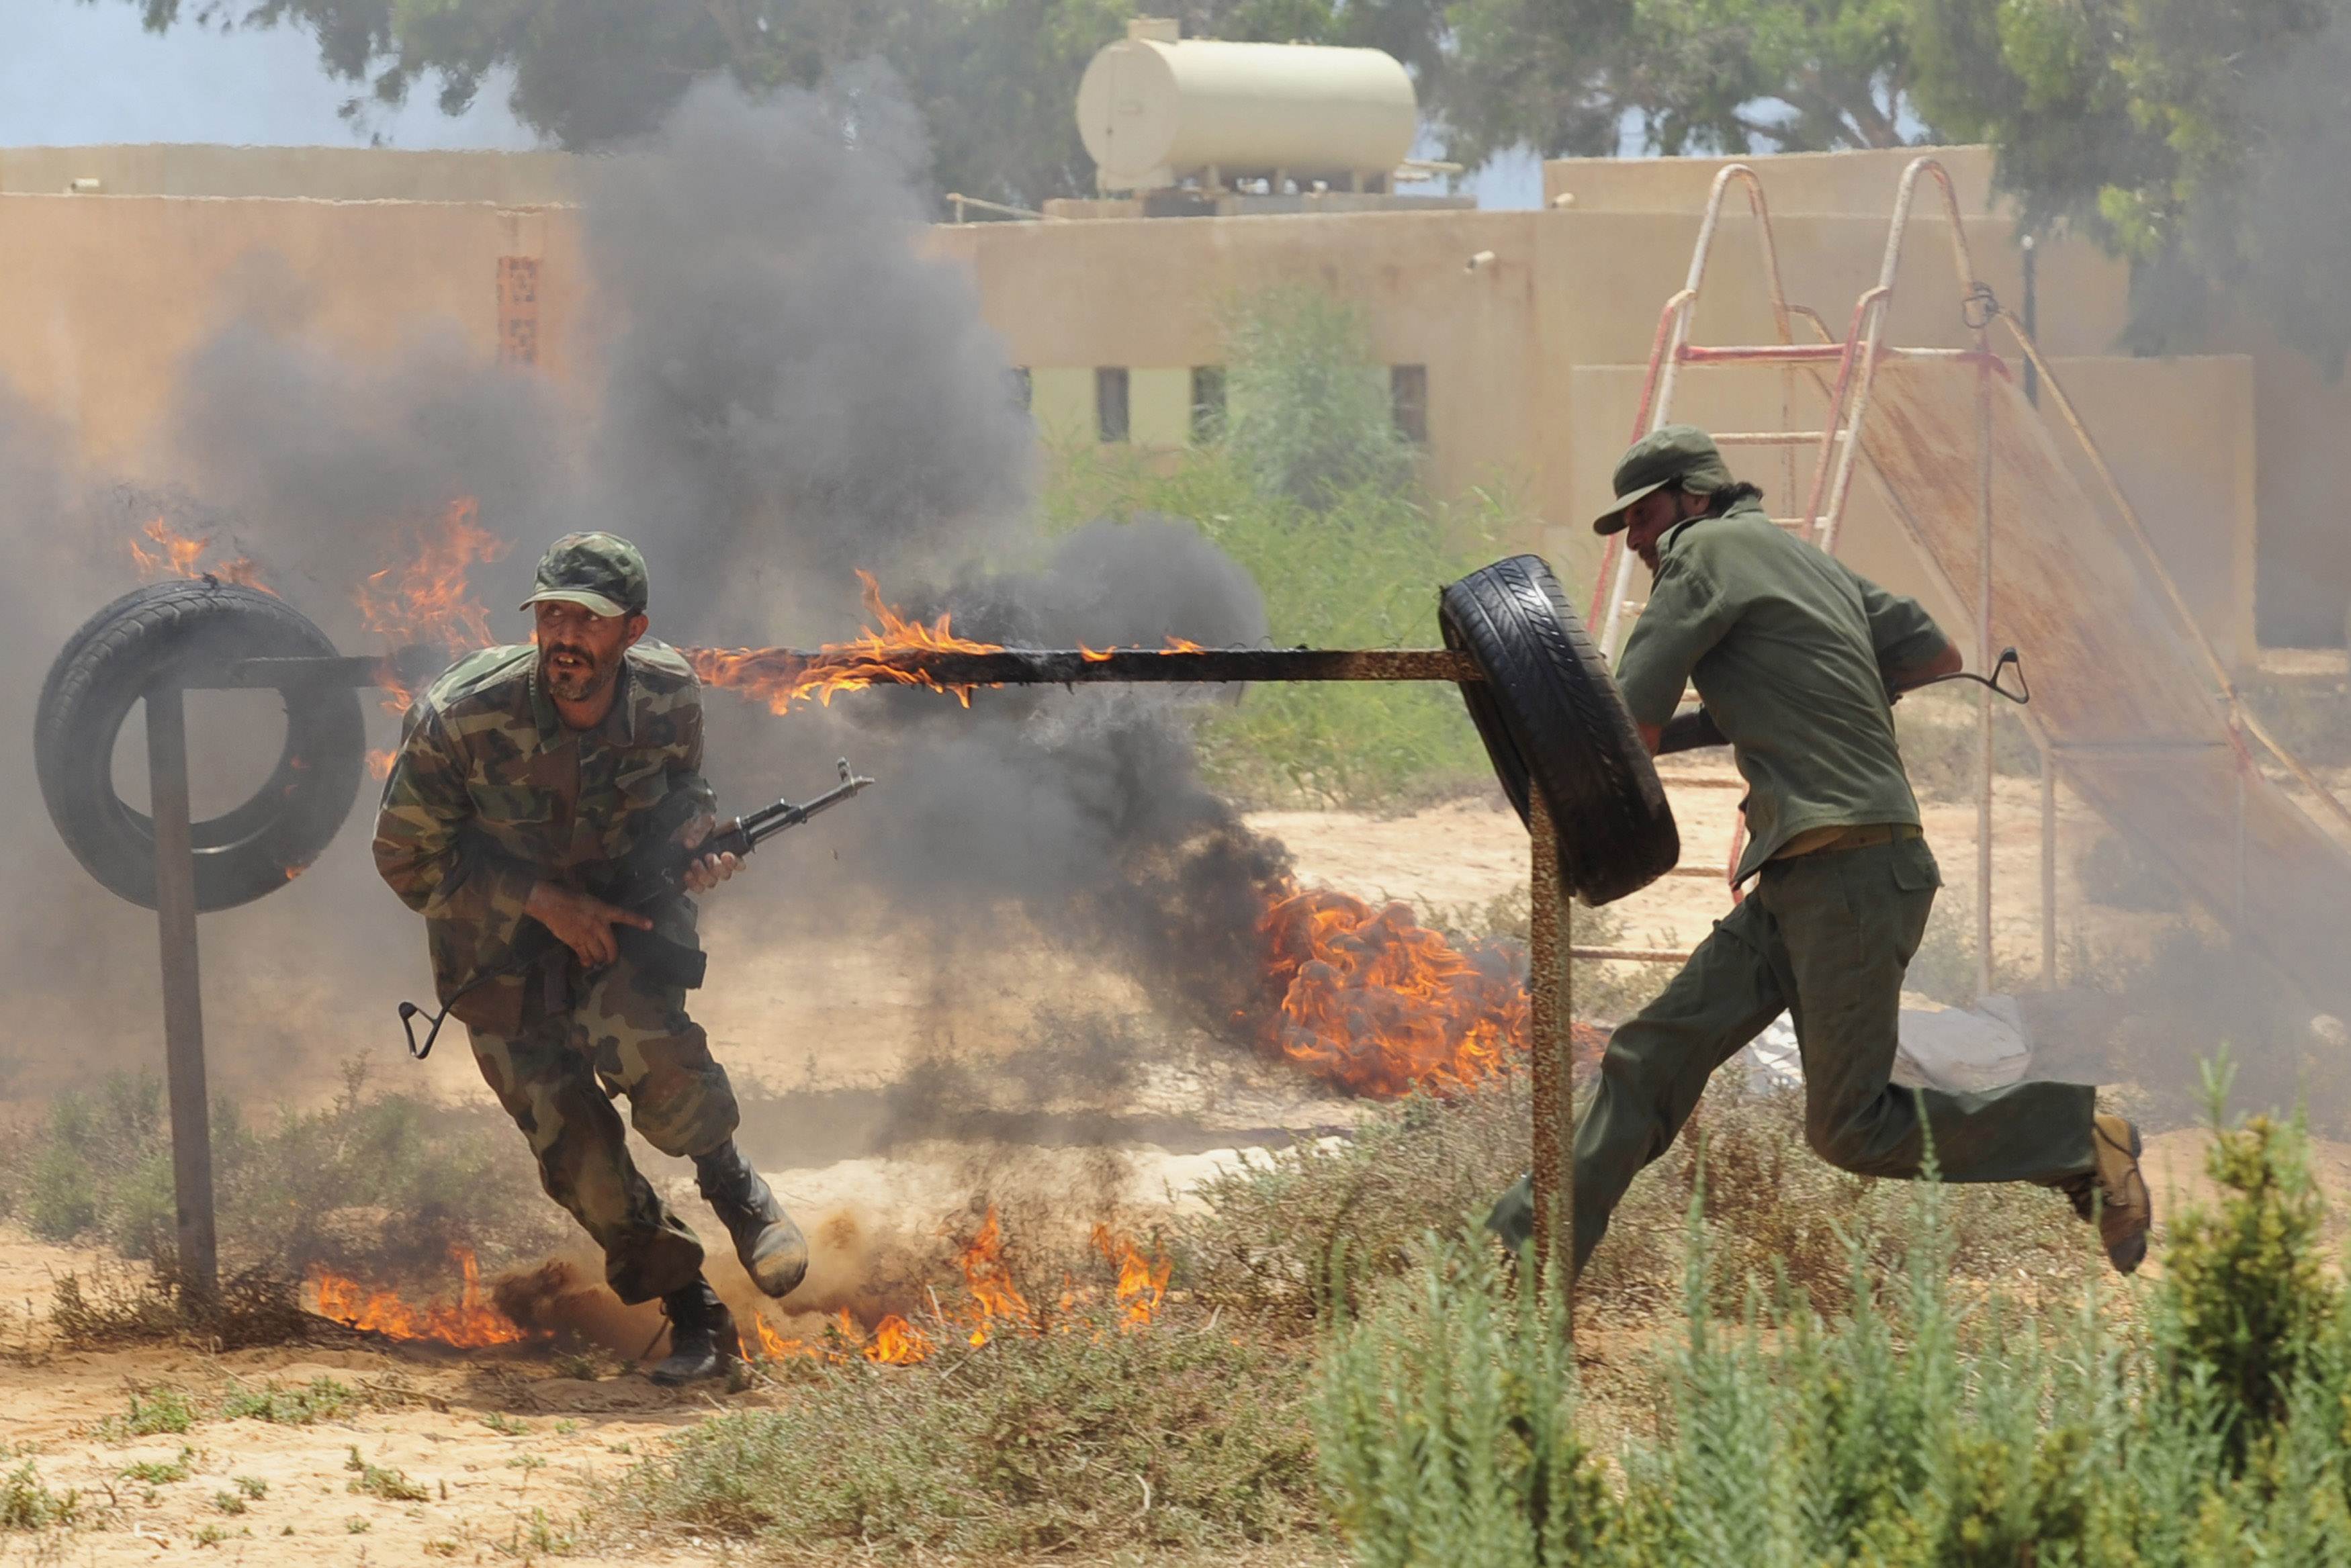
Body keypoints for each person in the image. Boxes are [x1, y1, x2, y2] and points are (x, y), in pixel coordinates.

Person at [1493, 426, 2151, 1277]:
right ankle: (1522, 1251)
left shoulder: (1699, 553)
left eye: (1643, 513)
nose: (1635, 540)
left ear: (1692, 495)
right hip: (1810, 874)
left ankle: (2077, 1137)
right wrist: (1794, 697)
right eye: (1624, 525)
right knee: (1649, 1056)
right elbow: (1935, 654)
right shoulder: (1801, 559)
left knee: (1852, 1127)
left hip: (1846, 872)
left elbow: (1629, 730)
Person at [374, 531, 805, 1385]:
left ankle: (732, 1185)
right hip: (498, 958)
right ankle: (697, 1316)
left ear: (632, 631)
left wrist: (699, 844)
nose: (564, 636)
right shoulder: (459, 715)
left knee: (647, 1041)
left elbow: (684, 791)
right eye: (552, 614)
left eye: (589, 620)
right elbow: (405, 860)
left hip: (624, 921)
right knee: (578, 1157)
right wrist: (543, 903)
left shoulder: (670, 693)